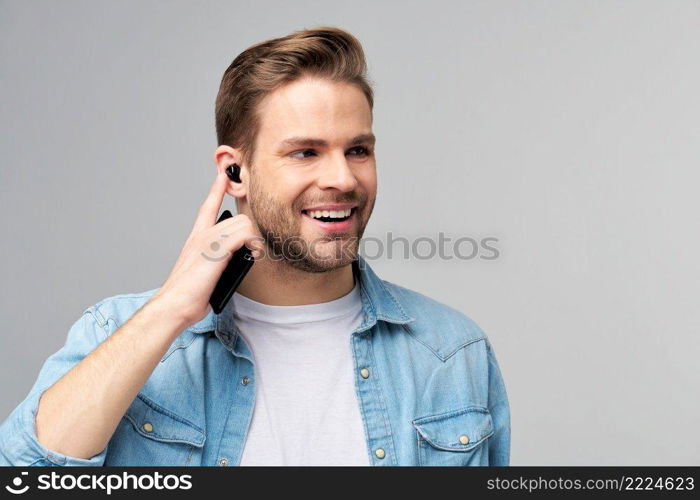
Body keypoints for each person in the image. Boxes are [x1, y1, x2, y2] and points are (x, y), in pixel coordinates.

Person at [0, 26, 510, 466]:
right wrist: (171, 311)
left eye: (358, 150)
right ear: (234, 172)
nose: (342, 178)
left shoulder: (452, 351)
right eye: (305, 152)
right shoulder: (117, 333)